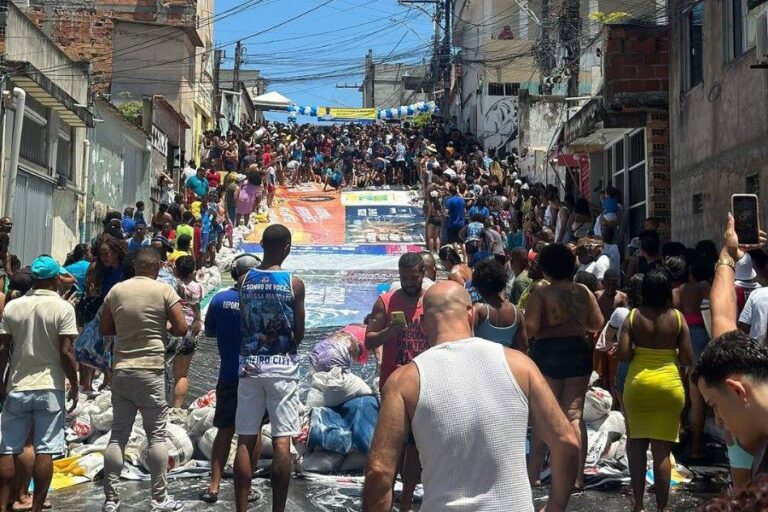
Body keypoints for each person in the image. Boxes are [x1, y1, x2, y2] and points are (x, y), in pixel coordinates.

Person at [362, 281, 579, 512]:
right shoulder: (519, 365)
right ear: (471, 314)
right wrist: (555, 506)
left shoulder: (404, 381)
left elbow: (380, 470)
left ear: (424, 325)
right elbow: (566, 442)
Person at [99, 247, 188, 512]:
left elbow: (104, 328)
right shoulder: (164, 291)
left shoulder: (116, 291)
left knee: (118, 437)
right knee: (156, 437)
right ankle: (159, 498)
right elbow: (182, 328)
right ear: (157, 267)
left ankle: (111, 500)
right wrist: (164, 326)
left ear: (136, 266)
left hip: (122, 370)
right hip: (151, 371)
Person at [234, 225, 305, 512]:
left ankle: (240, 507)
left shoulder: (244, 281)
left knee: (245, 439)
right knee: (281, 443)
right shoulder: (293, 283)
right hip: (283, 369)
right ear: (287, 246)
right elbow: (299, 331)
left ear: (261, 244)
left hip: (250, 367)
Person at [0, 256, 79, 512]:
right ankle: (36, 506)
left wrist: (2, 381)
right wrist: (74, 383)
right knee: (46, 449)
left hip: (17, 384)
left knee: (8, 447)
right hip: (50, 387)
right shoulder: (64, 308)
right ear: (56, 279)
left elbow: (3, 349)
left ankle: (4, 504)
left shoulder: (13, 307)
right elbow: (66, 351)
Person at [693, 213, 768, 484]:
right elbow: (722, 316)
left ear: (737, 390)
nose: (719, 421)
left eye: (715, 405)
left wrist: (728, 255)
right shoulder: (742, 367)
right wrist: (727, 255)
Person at [525, 243, 604, 489]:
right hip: (578, 351)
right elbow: (597, 323)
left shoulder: (541, 294)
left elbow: (531, 328)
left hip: (548, 353)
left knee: (544, 414)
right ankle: (577, 477)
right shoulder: (583, 291)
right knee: (574, 414)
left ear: (545, 268)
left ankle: (534, 475)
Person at [619, 269, 693, 512]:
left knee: (636, 445)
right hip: (669, 386)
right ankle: (662, 509)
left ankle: (638, 506)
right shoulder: (678, 318)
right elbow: (687, 357)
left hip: (638, 384)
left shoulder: (633, 317)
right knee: (662, 452)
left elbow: (623, 354)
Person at [365, 252, 430, 511]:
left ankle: (406, 502)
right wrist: (388, 332)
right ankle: (387, 496)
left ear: (423, 274)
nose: (409, 283)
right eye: (404, 278)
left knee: (415, 446)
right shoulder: (386, 302)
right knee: (391, 446)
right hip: (393, 383)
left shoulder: (432, 301)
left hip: (424, 382)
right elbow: (369, 340)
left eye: (414, 278)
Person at [199, 254, 263, 505]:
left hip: (228, 375)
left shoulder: (220, 300)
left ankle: (213, 486)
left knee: (225, 430)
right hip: (256, 374)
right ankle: (247, 485)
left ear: (235, 274)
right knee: (253, 432)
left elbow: (210, 331)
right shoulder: (261, 302)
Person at [167, 256, 203, 411]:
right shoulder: (197, 287)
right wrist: (198, 320)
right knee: (181, 375)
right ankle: (176, 410)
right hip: (189, 331)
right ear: (192, 271)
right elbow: (197, 306)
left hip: (170, 329)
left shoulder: (170, 285)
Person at [472, 258, 528, 350]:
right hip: (506, 361)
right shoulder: (516, 313)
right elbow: (524, 345)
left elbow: (468, 340)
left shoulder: (478, 310)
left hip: (482, 361)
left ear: (478, 285)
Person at [593, 268, 627, 394]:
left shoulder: (622, 297)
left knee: (613, 372)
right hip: (600, 337)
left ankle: (613, 397)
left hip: (615, 340)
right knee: (600, 372)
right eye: (609, 283)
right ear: (604, 282)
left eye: (615, 284)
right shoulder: (597, 295)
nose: (612, 287)